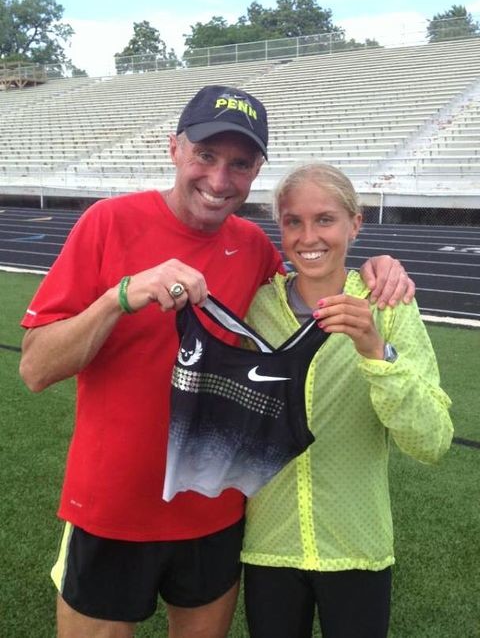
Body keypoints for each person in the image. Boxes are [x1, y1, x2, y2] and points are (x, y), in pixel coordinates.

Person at [19, 85, 415, 638]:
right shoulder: (108, 222)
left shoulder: (252, 247)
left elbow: (312, 268)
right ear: (174, 148)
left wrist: (378, 265)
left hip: (216, 512)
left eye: (240, 164)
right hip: (111, 506)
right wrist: (120, 296)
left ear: (256, 172)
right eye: (205, 155)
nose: (220, 179)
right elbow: (35, 369)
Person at [241, 162, 454, 638]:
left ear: (355, 224)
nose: (308, 236)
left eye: (325, 219)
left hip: (358, 545)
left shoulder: (388, 304)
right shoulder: (256, 308)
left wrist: (376, 351)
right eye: (293, 221)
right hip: (269, 544)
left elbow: (432, 440)